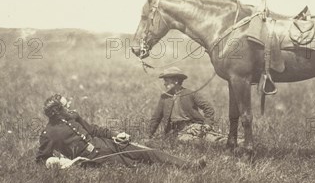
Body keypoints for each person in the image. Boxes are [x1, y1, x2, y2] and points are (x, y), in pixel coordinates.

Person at [36, 93, 205, 169]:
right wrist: (60, 163)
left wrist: (116, 135)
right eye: (67, 105)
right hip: (95, 159)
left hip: (109, 144)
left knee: (149, 153)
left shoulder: (73, 116)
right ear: (58, 111)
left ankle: (191, 166)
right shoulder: (48, 133)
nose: (70, 105)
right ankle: (176, 170)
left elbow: (94, 129)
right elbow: (42, 159)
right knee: (136, 167)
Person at [146, 67, 228, 143]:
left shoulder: (190, 93)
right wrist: (148, 135)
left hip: (195, 127)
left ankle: (235, 143)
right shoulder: (164, 97)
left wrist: (207, 124)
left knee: (214, 139)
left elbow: (208, 108)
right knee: (191, 141)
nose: (164, 84)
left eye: (167, 81)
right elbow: (156, 118)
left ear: (176, 81)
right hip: (176, 132)